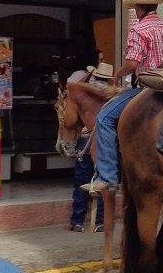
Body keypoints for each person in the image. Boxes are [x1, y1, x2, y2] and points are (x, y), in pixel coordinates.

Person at [81, 0, 163, 193]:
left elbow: (133, 64)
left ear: (138, 9)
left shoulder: (138, 29)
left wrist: (117, 74)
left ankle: (107, 176)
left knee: (104, 118)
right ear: (155, 7)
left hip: (147, 88)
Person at [65, 65, 108, 232]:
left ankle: (77, 221)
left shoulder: (86, 93)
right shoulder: (111, 95)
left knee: (81, 180)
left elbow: (72, 120)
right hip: (105, 141)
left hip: (86, 138)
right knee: (103, 179)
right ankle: (100, 222)